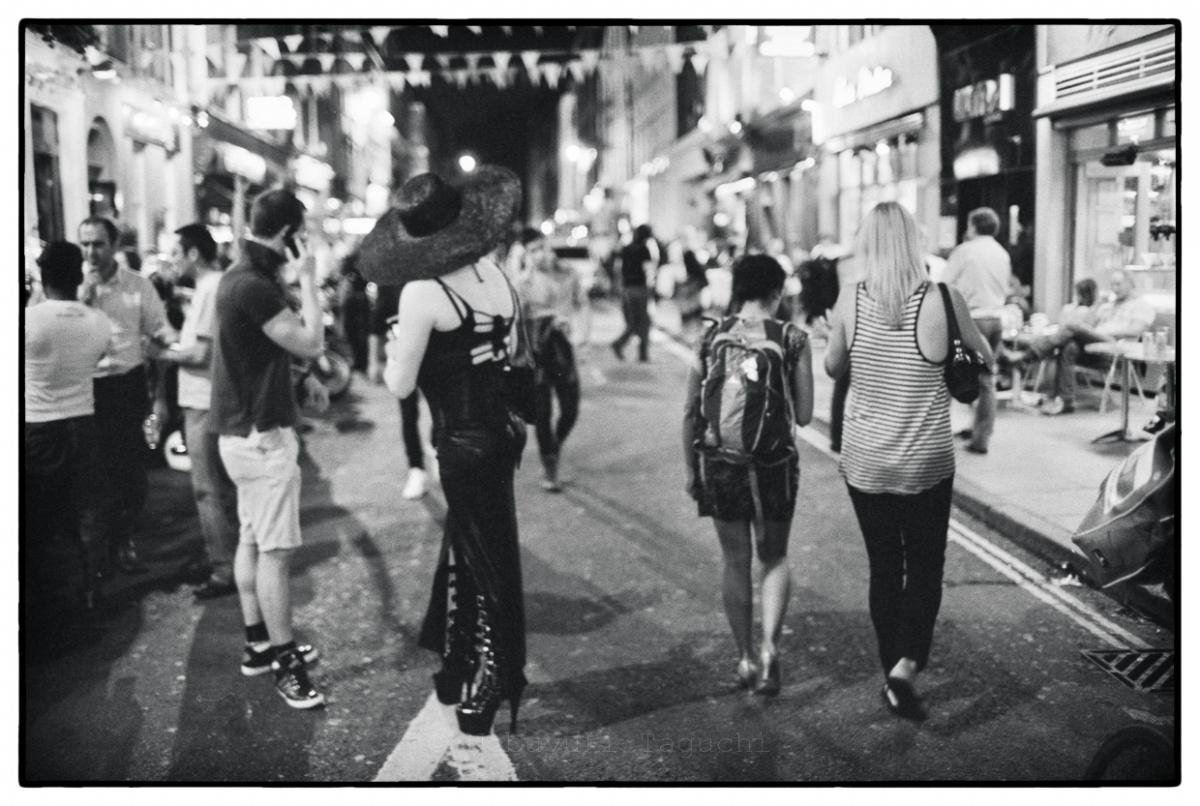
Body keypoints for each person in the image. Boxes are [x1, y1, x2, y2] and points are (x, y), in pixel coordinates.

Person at [361, 166, 527, 736]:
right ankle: (460, 664)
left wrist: (391, 350)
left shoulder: (424, 293)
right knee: (471, 547)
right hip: (502, 432)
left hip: (461, 441)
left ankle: (492, 676)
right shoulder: (496, 276)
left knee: (484, 564)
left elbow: (400, 385)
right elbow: (504, 351)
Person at [824, 201, 993, 721]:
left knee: (884, 565)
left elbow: (834, 367)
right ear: (914, 241)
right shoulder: (946, 298)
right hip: (926, 461)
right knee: (924, 566)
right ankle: (906, 667)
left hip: (867, 461)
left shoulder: (850, 298)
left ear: (870, 244)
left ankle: (889, 664)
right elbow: (983, 358)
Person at [211, 190, 330, 709]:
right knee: (276, 554)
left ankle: (258, 642)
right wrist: (308, 277)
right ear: (289, 235)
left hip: (239, 433)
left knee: (254, 539)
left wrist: (299, 379)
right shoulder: (255, 285)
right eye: (301, 234)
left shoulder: (240, 277)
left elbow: (262, 352)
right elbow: (311, 340)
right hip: (261, 437)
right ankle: (285, 661)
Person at [683, 254, 814, 697]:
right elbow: (808, 413)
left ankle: (743, 657)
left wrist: (691, 470)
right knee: (773, 557)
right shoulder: (792, 337)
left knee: (734, 561)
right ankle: (770, 649)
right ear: (777, 292)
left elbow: (691, 412)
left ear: (737, 289)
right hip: (774, 465)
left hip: (722, 463)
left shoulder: (710, 335)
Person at [78, 216, 175, 576]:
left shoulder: (137, 286)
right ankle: (100, 548)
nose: (90, 252)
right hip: (84, 388)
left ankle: (123, 538)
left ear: (114, 246)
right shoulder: (71, 286)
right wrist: (82, 299)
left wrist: (179, 342)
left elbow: (159, 328)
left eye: (98, 244)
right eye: (85, 244)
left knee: (129, 471)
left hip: (125, 384)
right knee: (92, 473)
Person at [24, 242, 114, 617]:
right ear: (79, 276)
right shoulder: (98, 321)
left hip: (39, 427)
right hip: (84, 421)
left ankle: (47, 597)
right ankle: (91, 588)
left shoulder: (30, 320)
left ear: (43, 278)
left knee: (42, 517)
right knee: (85, 511)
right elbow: (96, 360)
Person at [154, 224, 239, 600]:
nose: (172, 260)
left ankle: (224, 570)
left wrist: (161, 354)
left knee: (208, 490)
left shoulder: (208, 288)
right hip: (213, 397)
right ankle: (234, 559)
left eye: (176, 252)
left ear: (192, 254)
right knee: (223, 488)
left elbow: (200, 353)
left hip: (202, 400)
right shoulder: (214, 285)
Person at [1006, 269, 1155, 415]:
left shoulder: (1142, 306)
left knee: (1073, 325)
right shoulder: (1108, 306)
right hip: (1096, 347)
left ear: (1130, 284)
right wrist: (1096, 307)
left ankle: (1028, 356)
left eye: (1118, 284)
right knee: (1069, 347)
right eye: (1112, 285)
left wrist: (1101, 332)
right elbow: (1089, 325)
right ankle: (1066, 401)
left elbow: (1135, 330)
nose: (1114, 289)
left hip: (1117, 347)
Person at [516, 227, 583, 492]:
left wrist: (583, 336)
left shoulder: (568, 274)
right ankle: (549, 466)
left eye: (540, 248)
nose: (537, 255)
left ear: (548, 246)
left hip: (563, 350)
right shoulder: (523, 283)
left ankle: (554, 447)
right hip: (538, 354)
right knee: (542, 414)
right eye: (531, 251)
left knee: (570, 409)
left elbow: (583, 303)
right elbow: (518, 323)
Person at [943, 207, 1011, 454]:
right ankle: (981, 437)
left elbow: (943, 283)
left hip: (970, 321)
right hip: (995, 320)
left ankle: (937, 435)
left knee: (948, 376)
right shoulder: (1002, 253)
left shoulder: (966, 251)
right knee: (986, 381)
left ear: (973, 226)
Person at [368, 281, 431, 500]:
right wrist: (373, 360)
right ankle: (416, 469)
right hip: (402, 354)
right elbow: (376, 324)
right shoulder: (389, 283)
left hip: (434, 353)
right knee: (408, 413)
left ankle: (437, 448)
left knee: (440, 407)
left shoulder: (427, 273)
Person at [611, 223, 657, 362]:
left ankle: (622, 345)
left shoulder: (625, 248)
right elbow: (648, 269)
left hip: (627, 289)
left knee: (633, 321)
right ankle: (641, 353)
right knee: (643, 321)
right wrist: (652, 287)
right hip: (640, 288)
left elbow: (617, 268)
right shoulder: (644, 249)